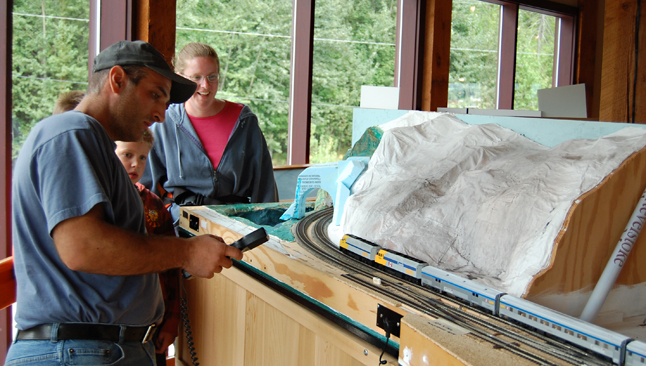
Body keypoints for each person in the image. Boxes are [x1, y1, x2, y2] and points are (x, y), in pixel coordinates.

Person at [7, 40, 243, 366]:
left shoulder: (90, 142)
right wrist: (187, 252)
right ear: (117, 80)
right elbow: (83, 247)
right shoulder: (72, 132)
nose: (161, 114)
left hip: (100, 348)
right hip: (81, 349)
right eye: (156, 94)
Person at [141, 42, 278, 223]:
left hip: (237, 223)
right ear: (180, 78)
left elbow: (264, 186)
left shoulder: (244, 122)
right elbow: (145, 186)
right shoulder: (163, 122)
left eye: (211, 76)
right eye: (196, 77)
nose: (205, 86)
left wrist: (270, 231)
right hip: (181, 226)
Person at [114, 129, 180, 366]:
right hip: (114, 327)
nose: (135, 164)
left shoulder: (153, 204)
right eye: (127, 155)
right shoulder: (102, 203)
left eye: (142, 157)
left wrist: (171, 323)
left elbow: (172, 268)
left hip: (153, 326)